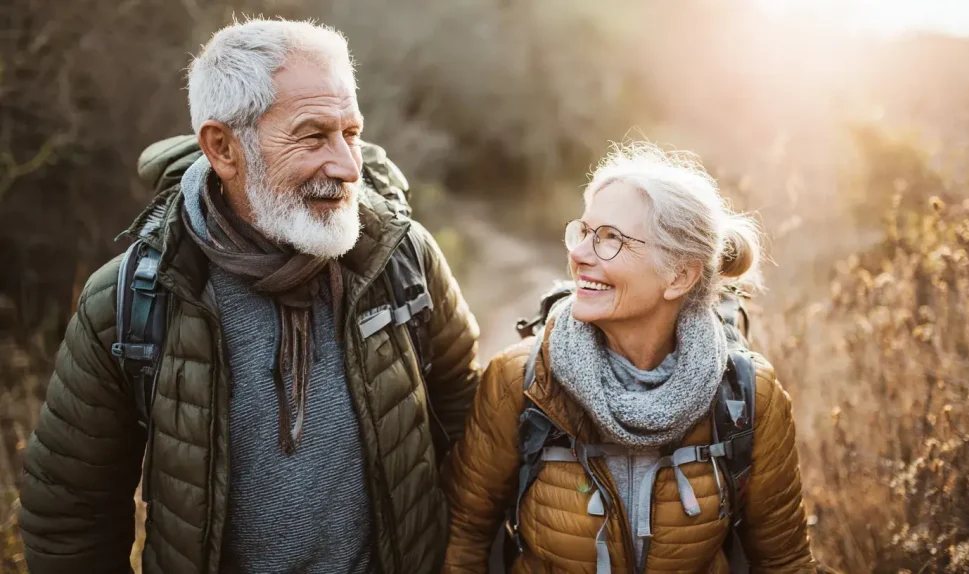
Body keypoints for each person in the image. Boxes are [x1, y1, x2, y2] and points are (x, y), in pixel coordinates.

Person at [18, 19, 481, 574]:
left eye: (351, 133)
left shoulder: (401, 257)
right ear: (224, 147)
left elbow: (469, 427)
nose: (348, 166)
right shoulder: (131, 301)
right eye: (313, 136)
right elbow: (71, 518)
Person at [443, 143, 816, 573]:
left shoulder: (750, 398)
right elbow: (465, 539)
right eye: (583, 232)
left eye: (610, 240)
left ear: (679, 275)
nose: (579, 255)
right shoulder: (520, 382)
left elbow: (785, 562)